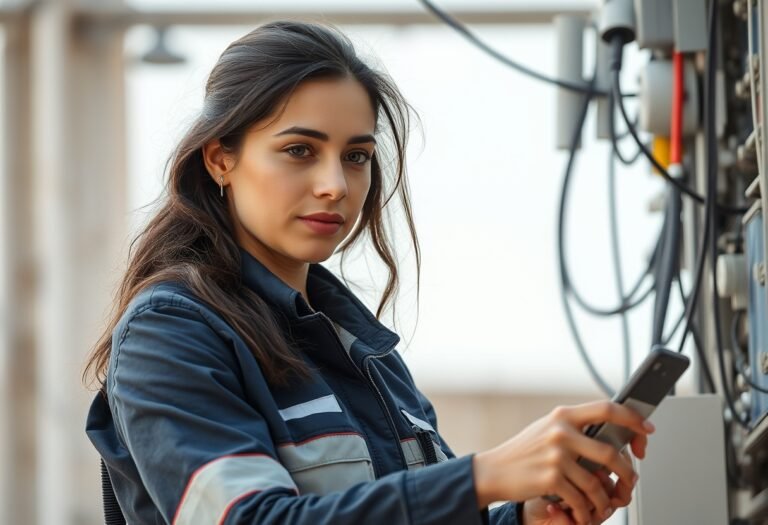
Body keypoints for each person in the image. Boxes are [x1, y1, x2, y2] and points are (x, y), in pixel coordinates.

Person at [84, 20, 654, 525]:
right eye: (300, 150)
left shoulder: (363, 349)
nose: (335, 184)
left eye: (355, 156)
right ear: (220, 159)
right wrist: (482, 476)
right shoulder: (171, 335)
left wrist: (525, 517)